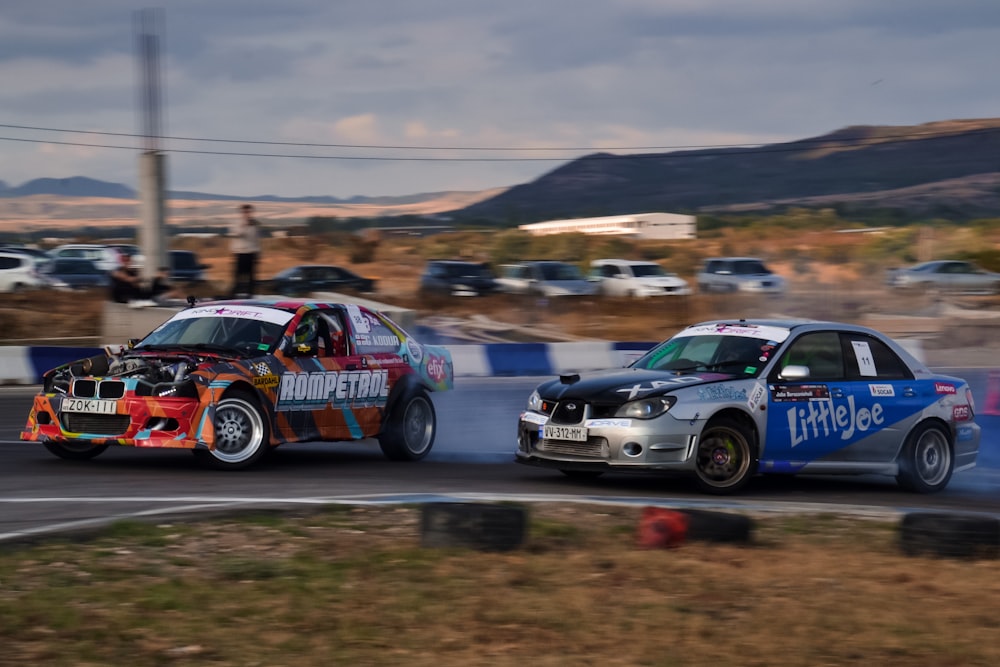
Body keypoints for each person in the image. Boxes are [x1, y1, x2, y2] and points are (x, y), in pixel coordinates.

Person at [230, 203, 261, 298]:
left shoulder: (254, 224)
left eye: (248, 212)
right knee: (237, 276)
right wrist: (244, 225)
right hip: (240, 252)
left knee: (251, 277)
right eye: (245, 212)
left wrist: (258, 252)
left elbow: (256, 239)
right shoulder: (237, 223)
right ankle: (233, 295)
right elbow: (237, 234)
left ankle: (250, 295)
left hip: (251, 253)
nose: (247, 213)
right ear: (242, 212)